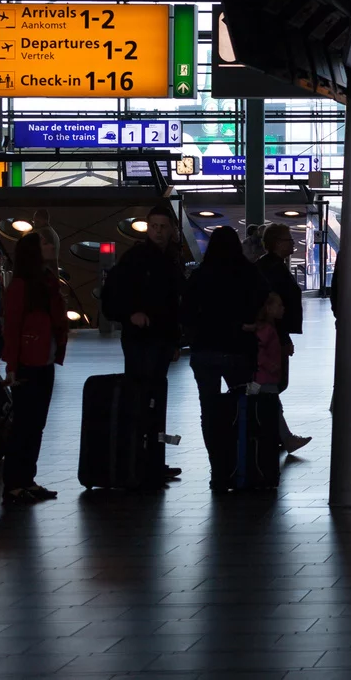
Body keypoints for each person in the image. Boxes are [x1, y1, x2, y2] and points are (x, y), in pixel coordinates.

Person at [101, 204, 187, 485]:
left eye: (163, 227)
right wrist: (130, 315)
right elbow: (111, 296)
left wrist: (175, 340)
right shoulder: (137, 259)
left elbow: (174, 305)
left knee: (153, 399)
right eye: (155, 227)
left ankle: (150, 459)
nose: (159, 232)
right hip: (142, 340)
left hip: (158, 339)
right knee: (144, 398)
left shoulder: (170, 260)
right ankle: (143, 459)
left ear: (172, 230)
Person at [182, 226, 266, 488]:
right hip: (239, 350)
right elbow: (262, 303)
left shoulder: (199, 276)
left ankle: (217, 468)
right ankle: (241, 464)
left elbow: (186, 312)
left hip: (205, 351)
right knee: (242, 407)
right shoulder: (249, 273)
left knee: (209, 409)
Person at [1, 232, 70, 504]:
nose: (51, 245)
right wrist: (12, 366)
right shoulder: (22, 286)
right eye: (45, 243)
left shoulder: (46, 281)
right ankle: (15, 484)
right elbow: (13, 327)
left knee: (35, 425)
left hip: (44, 360)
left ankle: (25, 480)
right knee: (24, 425)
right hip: (30, 362)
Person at [255, 223, 311, 453]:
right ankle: (280, 433)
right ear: (278, 244)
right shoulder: (274, 270)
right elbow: (274, 307)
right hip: (273, 336)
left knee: (272, 385)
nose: (293, 243)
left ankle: (276, 432)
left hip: (274, 334)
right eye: (289, 240)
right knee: (272, 384)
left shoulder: (269, 266)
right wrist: (284, 338)